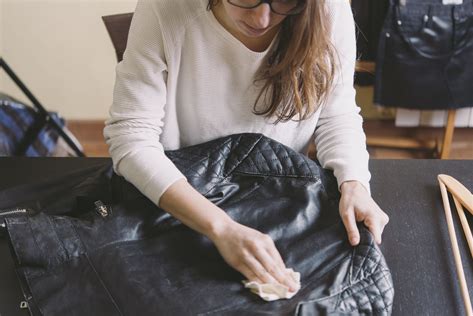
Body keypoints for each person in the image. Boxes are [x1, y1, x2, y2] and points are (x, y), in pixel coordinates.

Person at [104, 0, 389, 293]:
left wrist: (354, 182)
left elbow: (336, 112)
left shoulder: (327, 7)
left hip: (281, 199)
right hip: (183, 201)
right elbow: (131, 137)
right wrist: (221, 228)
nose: (263, 18)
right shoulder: (164, 8)